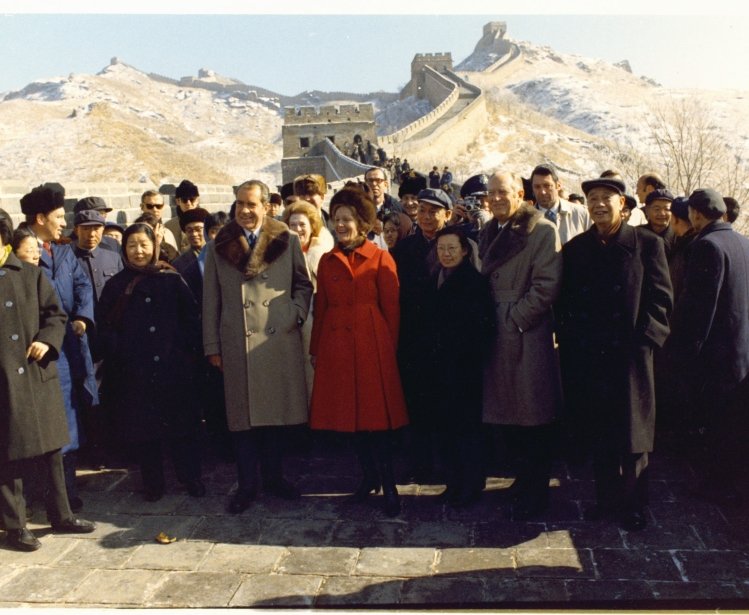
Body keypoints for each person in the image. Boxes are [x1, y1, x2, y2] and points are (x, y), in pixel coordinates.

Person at [556, 177, 672, 532]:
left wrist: (646, 343)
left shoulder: (647, 244)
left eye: (607, 198)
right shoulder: (577, 248)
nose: (599, 204)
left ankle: (634, 505)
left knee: (633, 437)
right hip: (592, 358)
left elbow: (662, 302)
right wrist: (573, 346)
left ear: (622, 203)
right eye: (593, 199)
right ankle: (606, 501)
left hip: (631, 358)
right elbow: (566, 305)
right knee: (600, 432)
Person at [203, 180, 313, 513]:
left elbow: (303, 285)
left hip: (275, 340)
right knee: (242, 420)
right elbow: (211, 300)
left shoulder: (285, 239)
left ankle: (275, 478)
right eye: (239, 204)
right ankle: (247, 485)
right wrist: (212, 344)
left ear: (266, 206)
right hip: (237, 340)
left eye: (251, 204)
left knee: (274, 416)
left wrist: (293, 315)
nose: (245, 211)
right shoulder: (220, 245)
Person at [309, 185, 409, 517]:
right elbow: (320, 307)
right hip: (338, 347)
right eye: (336, 219)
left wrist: (388, 353)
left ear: (362, 223)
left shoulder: (381, 258)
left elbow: (392, 309)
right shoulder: (326, 261)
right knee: (351, 419)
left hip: (371, 346)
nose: (341, 225)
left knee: (376, 421)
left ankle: (389, 484)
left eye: (347, 219)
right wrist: (316, 349)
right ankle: (367, 478)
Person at [0, 217, 96, 552]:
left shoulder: (30, 275)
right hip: (3, 383)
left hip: (37, 375)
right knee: (7, 454)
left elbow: (56, 316)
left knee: (53, 449)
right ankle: (15, 527)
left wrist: (46, 341)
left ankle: (62, 515)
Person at [95, 222, 205, 501]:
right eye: (132, 246)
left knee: (182, 428)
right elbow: (105, 327)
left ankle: (190, 477)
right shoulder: (116, 285)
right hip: (136, 373)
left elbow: (191, 319)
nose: (139, 251)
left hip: (173, 369)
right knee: (146, 432)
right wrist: (123, 353)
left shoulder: (171, 278)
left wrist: (183, 353)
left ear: (154, 247)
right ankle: (153, 484)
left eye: (144, 245)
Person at [479, 171, 563, 521]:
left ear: (520, 194)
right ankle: (523, 481)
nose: (497, 198)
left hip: (525, 336)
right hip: (494, 332)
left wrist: (515, 320)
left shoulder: (541, 230)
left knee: (532, 416)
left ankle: (536, 490)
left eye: (504, 192)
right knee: (508, 416)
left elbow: (546, 285)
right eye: (492, 192)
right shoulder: (488, 231)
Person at [665, 189, 749, 507]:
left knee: (714, 424)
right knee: (731, 423)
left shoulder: (706, 246)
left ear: (697, 215)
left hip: (715, 355)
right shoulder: (743, 243)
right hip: (741, 350)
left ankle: (716, 486)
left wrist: (684, 353)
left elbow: (699, 309)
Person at [20, 186, 99, 513]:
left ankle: (65, 493)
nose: (64, 223)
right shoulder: (20, 253)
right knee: (44, 423)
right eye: (58, 217)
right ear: (40, 218)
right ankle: (42, 494)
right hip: (39, 349)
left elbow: (82, 284)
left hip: (69, 347)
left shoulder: (65, 252)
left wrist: (82, 316)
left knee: (69, 419)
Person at [429, 226, 495, 506]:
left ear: (465, 251)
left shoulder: (475, 282)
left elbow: (484, 328)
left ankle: (471, 483)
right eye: (441, 249)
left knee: (468, 428)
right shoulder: (435, 277)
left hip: (466, 367)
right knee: (446, 426)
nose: (446, 254)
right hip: (442, 367)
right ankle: (453, 481)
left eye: (452, 248)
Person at [282, 200, 328, 397]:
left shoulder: (322, 255)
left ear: (312, 227)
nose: (297, 229)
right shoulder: (281, 254)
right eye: (292, 225)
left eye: (302, 224)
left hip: (316, 323)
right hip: (289, 322)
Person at [530, 164, 590, 244]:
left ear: (558, 186)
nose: (542, 192)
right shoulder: (526, 220)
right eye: (537, 187)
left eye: (547, 186)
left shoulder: (581, 214)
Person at [71, 210, 123, 303]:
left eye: (96, 229)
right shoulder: (68, 258)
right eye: (86, 229)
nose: (91, 234)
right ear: (76, 230)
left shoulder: (114, 258)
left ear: (103, 230)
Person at [172, 207, 210, 277]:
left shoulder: (218, 255)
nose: (194, 234)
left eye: (198, 229)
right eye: (189, 230)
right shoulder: (179, 263)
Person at [165, 180, 200, 253]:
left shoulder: (207, 222)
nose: (188, 203)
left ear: (197, 200)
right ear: (178, 201)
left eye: (192, 199)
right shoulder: (169, 226)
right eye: (185, 200)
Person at [642, 189, 675, 257]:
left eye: (667, 209)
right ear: (647, 210)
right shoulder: (638, 234)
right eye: (657, 209)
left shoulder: (678, 237)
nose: (662, 213)